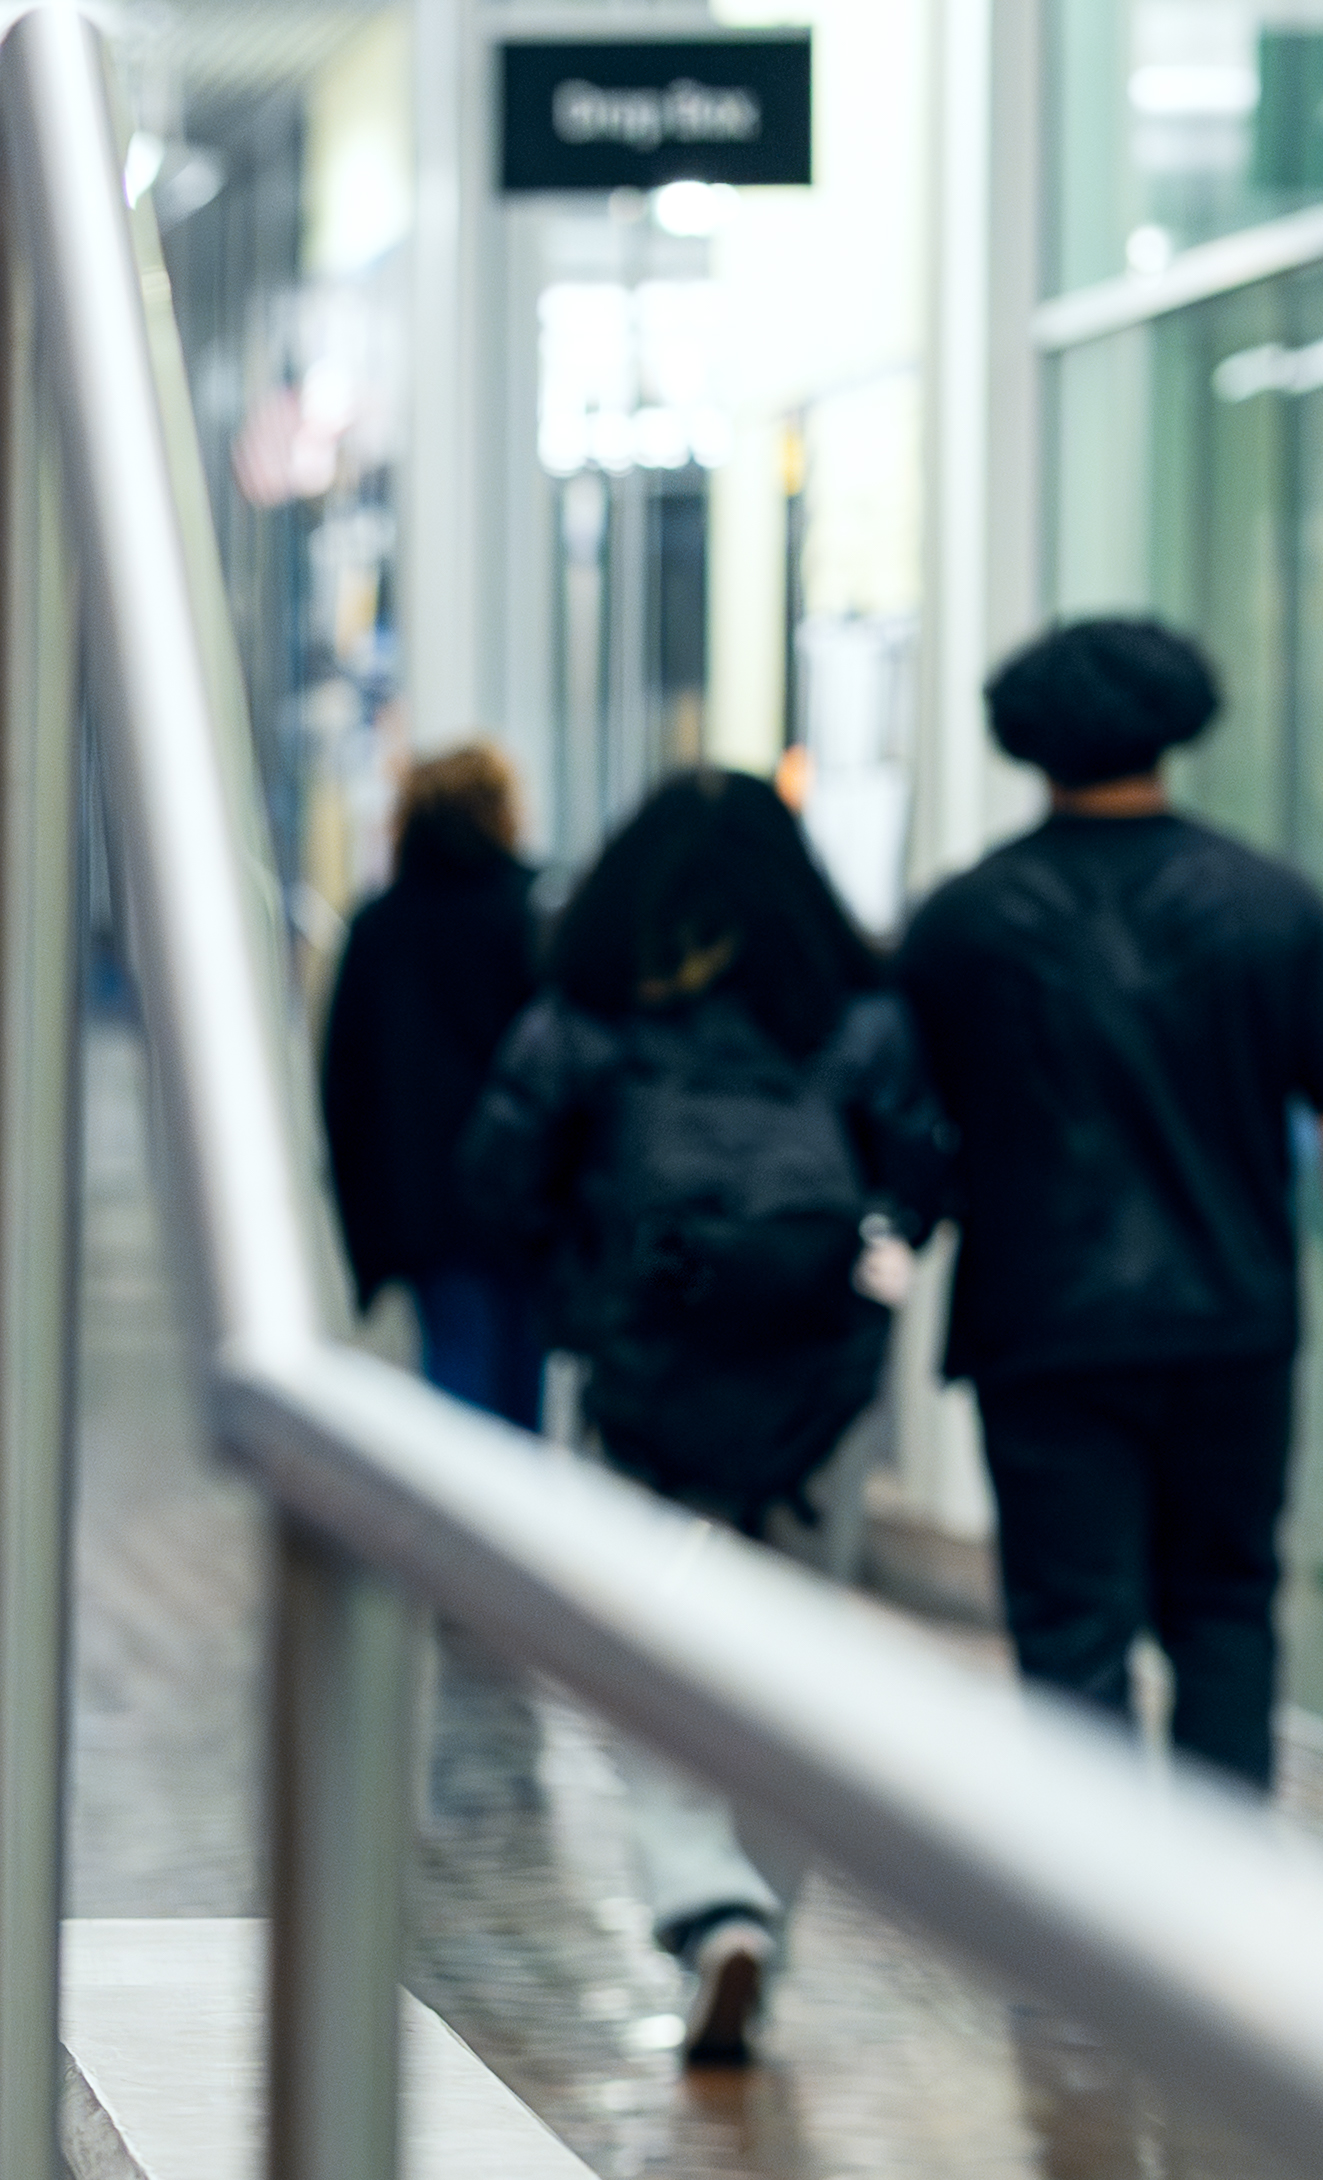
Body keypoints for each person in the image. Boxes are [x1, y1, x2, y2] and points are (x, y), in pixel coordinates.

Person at [462, 771, 951, 2062]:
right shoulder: (850, 1016)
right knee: (788, 1658)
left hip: (636, 1381)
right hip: (814, 1394)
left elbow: (497, 1182)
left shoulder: (586, 1013)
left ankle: (702, 1902)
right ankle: (762, 1926)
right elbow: (920, 1167)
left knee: (642, 1653)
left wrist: (582, 1273)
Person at [897, 618, 1323, 1794]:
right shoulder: (1273, 907)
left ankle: (1087, 1934)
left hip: (1042, 1324)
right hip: (1230, 1318)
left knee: (1069, 1637)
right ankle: (1218, 1922)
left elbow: (907, 1125)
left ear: (1028, 743)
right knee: (1226, 1611)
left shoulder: (963, 922)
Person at [321, 741, 549, 1425]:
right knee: (522, 1388)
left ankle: (464, 1525)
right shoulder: (532, 913)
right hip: (524, 1196)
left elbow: (345, 1086)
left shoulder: (379, 927)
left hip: (427, 1202)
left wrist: (363, 1223)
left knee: (458, 1384)